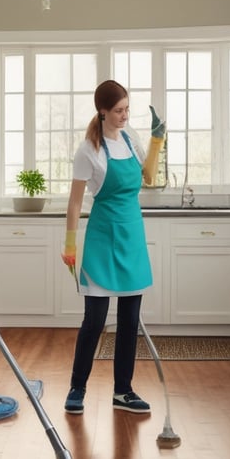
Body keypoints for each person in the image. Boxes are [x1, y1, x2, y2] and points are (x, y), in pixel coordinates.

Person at [61, 80, 165, 415]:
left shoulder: (131, 138)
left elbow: (147, 177)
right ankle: (77, 387)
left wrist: (156, 139)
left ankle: (124, 391)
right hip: (103, 238)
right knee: (94, 320)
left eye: (127, 109)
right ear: (103, 111)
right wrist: (70, 244)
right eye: (119, 110)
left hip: (132, 236)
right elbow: (75, 203)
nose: (124, 115)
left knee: (130, 320)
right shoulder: (88, 151)